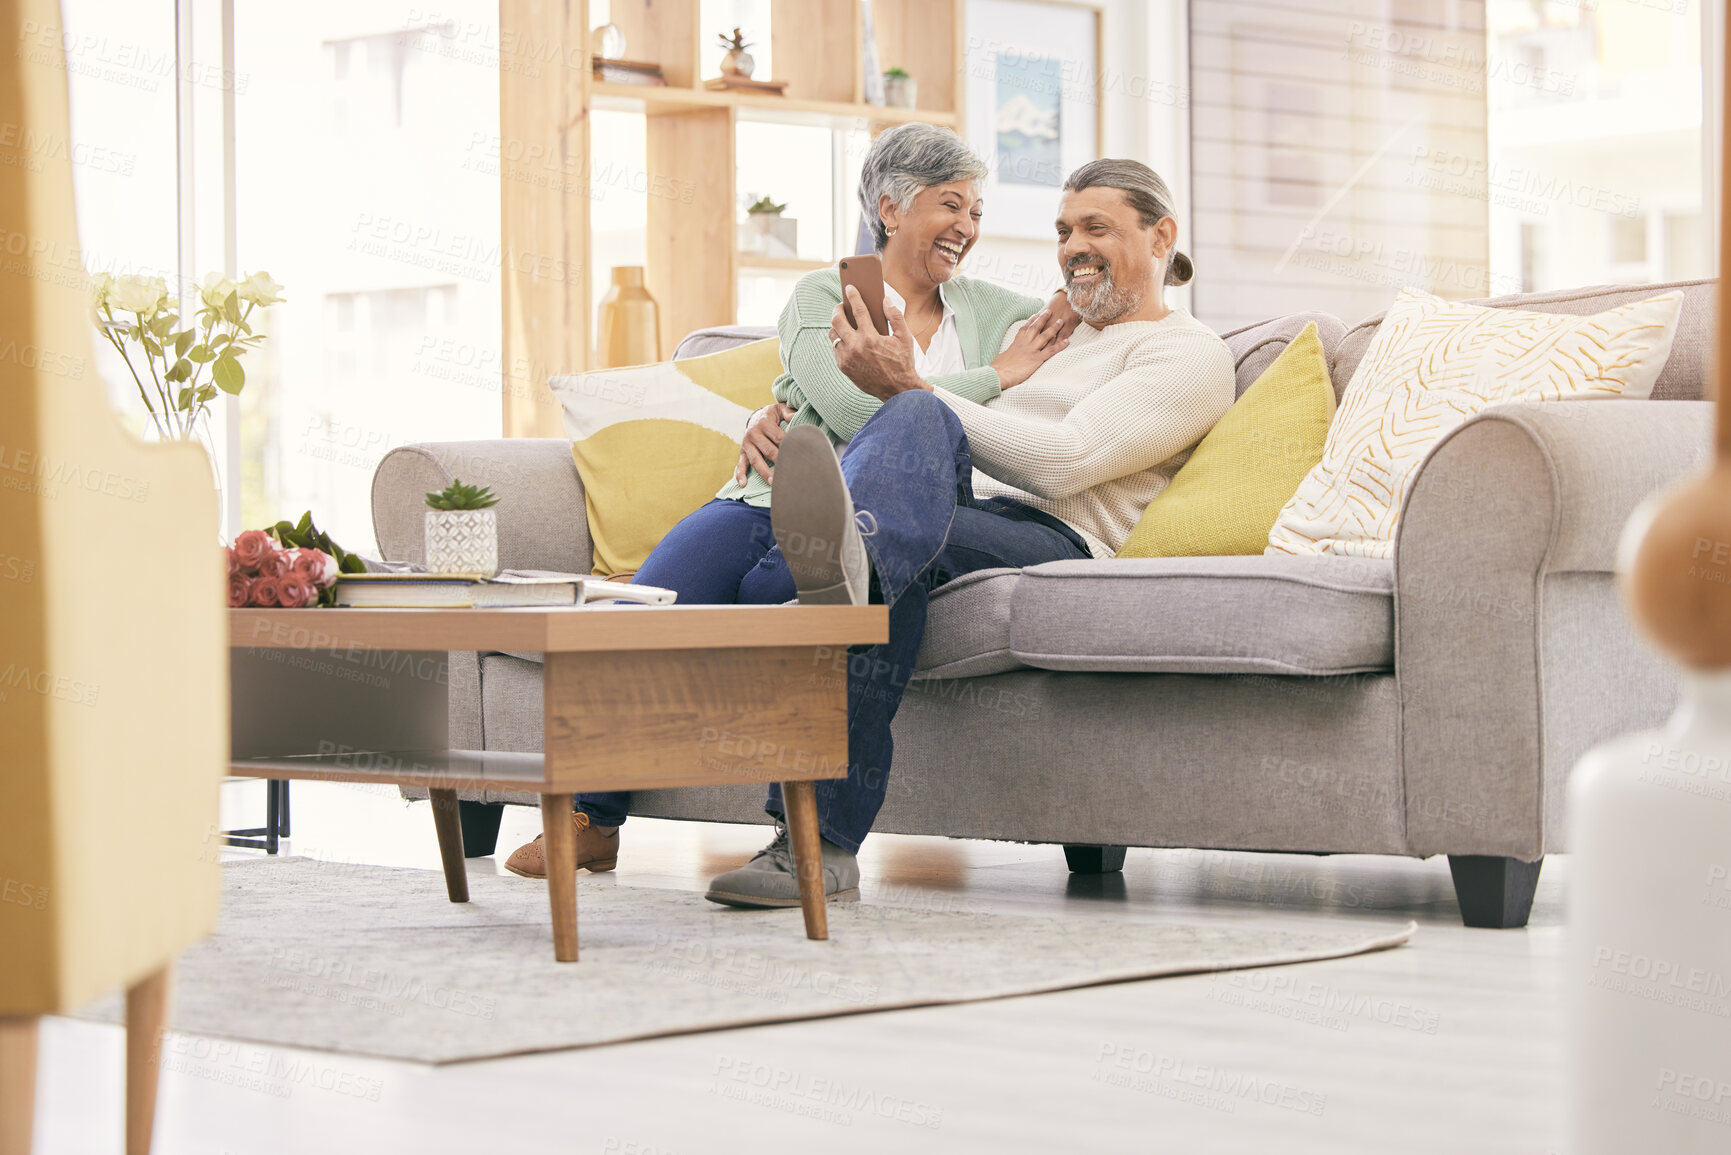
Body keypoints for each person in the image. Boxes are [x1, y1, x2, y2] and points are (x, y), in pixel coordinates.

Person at [504, 142, 1237, 910]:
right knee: (886, 547)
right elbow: (844, 390)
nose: (1073, 250)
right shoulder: (1052, 332)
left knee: (910, 429)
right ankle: (813, 836)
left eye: (1096, 227)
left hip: (1048, 532)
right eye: (1062, 232)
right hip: (941, 507)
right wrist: (775, 412)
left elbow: (1064, 462)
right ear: (887, 210)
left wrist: (913, 386)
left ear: (1161, 237)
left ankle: (838, 568)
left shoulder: (1185, 350)